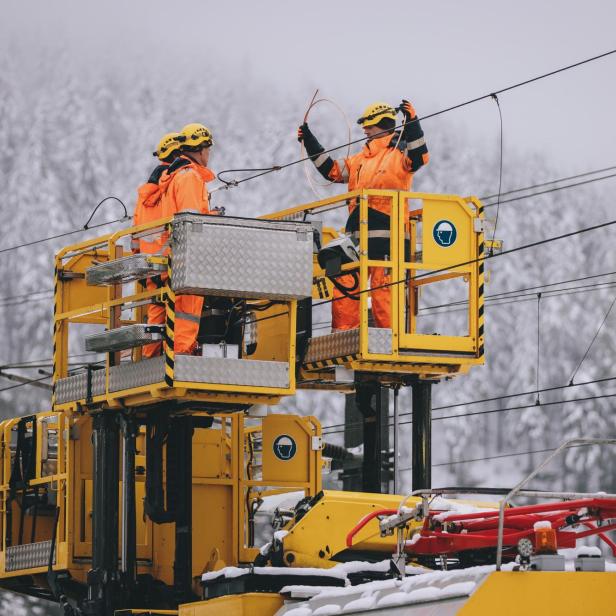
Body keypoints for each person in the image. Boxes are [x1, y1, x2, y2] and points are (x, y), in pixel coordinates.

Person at [298, 100, 429, 331]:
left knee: (384, 289)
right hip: (357, 238)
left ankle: (390, 340)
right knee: (346, 284)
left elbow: (420, 156)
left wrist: (412, 123)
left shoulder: (400, 152)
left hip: (389, 238)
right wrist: (309, 141)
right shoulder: (359, 160)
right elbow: (331, 170)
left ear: (382, 124)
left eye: (368, 126)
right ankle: (343, 336)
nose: (364, 130)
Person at [158, 123, 216, 354]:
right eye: (208, 149)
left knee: (176, 310)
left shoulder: (175, 176)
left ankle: (177, 351)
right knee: (187, 310)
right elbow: (189, 219)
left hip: (171, 255)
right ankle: (182, 353)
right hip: (185, 258)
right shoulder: (190, 177)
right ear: (201, 149)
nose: (209, 154)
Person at [132, 132, 183, 358]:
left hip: (149, 265)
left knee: (156, 314)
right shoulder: (172, 182)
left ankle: (150, 357)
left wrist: (140, 261)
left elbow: (135, 234)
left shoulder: (144, 195)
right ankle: (177, 354)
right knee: (180, 311)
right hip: (169, 260)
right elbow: (180, 216)